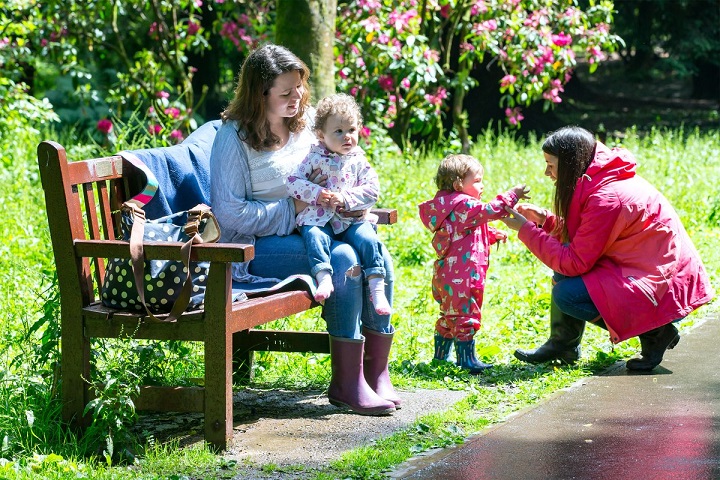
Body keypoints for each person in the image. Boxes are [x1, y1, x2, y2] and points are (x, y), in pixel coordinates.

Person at [209, 44, 401, 415]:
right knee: (345, 259)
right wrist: (293, 207)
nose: (297, 97)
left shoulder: (306, 125)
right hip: (253, 247)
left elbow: (344, 163)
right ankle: (347, 383)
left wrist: (345, 197)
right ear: (258, 94)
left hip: (318, 227)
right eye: (285, 92)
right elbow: (230, 214)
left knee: (375, 253)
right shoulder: (233, 138)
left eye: (299, 87)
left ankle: (375, 373)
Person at [500, 126, 714, 371]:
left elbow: (574, 261)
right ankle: (564, 345)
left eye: (551, 164)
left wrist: (525, 230)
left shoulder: (606, 196)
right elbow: (591, 237)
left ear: (571, 163)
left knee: (566, 293)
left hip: (663, 286)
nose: (547, 172)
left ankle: (656, 332)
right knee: (564, 273)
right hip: (641, 267)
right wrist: (545, 220)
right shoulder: (598, 174)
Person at [418, 154, 530, 373]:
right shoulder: (464, 204)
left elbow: (464, 233)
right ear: (459, 183)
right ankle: (466, 360)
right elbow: (490, 211)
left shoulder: (448, 207)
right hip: (466, 275)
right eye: (477, 181)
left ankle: (440, 358)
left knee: (449, 315)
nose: (483, 185)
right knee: (466, 316)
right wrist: (512, 195)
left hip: (446, 275)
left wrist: (492, 235)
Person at [287, 93, 391, 315]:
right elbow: (292, 182)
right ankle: (323, 277)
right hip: (320, 216)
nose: (347, 137)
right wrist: (316, 193)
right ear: (321, 134)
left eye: (352, 130)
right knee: (314, 235)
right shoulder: (313, 157)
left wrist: (347, 198)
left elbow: (373, 190)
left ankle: (376, 286)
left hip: (351, 219)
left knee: (369, 239)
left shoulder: (358, 160)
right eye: (339, 131)